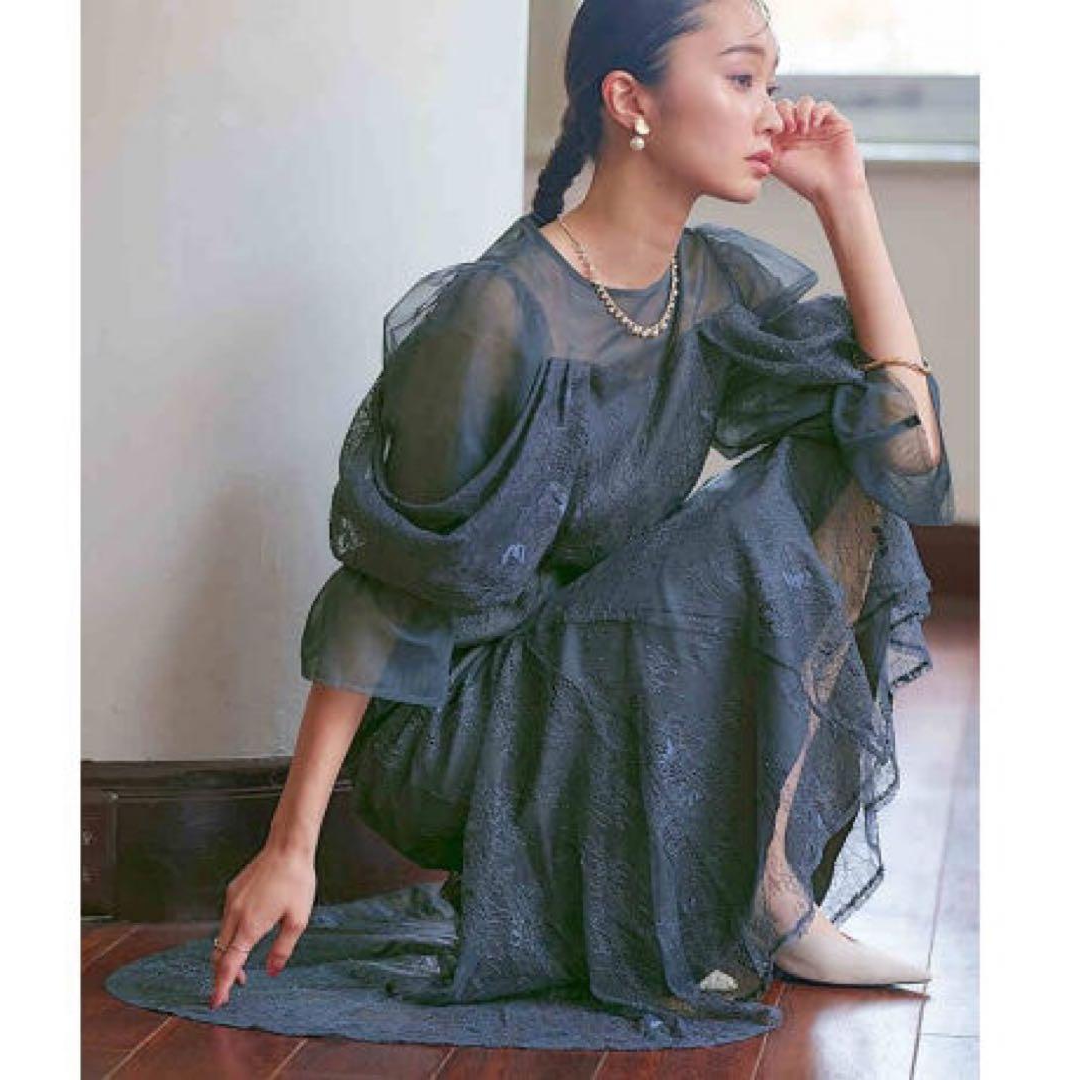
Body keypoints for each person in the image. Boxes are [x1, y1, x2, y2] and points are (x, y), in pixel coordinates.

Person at [202, 0, 955, 1050]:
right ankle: (764, 906)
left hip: (588, 673)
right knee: (732, 541)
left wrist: (847, 200)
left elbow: (904, 452)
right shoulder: (498, 312)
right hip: (453, 733)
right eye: (741, 78)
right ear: (630, 100)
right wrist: (292, 846)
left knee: (841, 457)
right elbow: (384, 589)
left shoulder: (710, 284)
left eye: (773, 81)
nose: (771, 112)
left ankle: (772, 892)